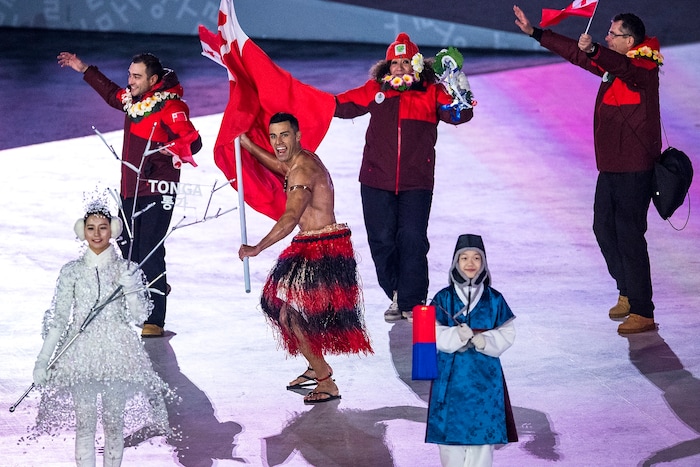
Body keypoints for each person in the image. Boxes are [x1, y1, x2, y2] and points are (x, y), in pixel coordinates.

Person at [513, 6, 661, 334]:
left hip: (635, 166)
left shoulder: (645, 65)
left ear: (630, 40)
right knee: (602, 228)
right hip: (610, 165)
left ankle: (643, 310)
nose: (607, 37)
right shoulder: (612, 65)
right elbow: (576, 55)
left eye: (612, 34)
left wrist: (595, 48)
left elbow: (625, 67)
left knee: (629, 235)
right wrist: (537, 33)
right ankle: (626, 289)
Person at [57, 51, 203, 337]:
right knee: (126, 243)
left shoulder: (171, 107)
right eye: (129, 75)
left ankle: (154, 319)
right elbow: (113, 94)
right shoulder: (136, 102)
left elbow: (193, 143)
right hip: (131, 188)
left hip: (158, 189)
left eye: (136, 77)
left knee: (149, 250)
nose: (130, 82)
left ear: (153, 79)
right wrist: (84, 68)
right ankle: (156, 283)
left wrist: (168, 152)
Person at [334, 33, 474, 322]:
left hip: (416, 181)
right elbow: (339, 105)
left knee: (412, 238)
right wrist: (298, 100)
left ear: (417, 65)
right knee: (382, 240)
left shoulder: (432, 92)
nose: (399, 67)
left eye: (406, 61)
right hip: (375, 180)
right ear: (387, 68)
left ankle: (412, 301)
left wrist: (459, 81)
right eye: (394, 62)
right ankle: (396, 293)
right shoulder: (375, 90)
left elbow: (461, 114)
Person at [238, 112, 373, 404]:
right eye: (273, 136)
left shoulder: (303, 170)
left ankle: (326, 381)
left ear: (298, 135)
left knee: (291, 314)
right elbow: (280, 165)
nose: (278, 142)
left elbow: (289, 219)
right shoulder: (301, 160)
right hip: (314, 244)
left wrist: (257, 248)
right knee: (278, 304)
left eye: (284, 135)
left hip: (323, 250)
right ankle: (314, 365)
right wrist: (249, 147)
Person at [31, 197, 176, 466]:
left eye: (102, 228)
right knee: (84, 425)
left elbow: (140, 317)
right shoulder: (71, 272)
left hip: (118, 354)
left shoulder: (126, 269)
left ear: (113, 230)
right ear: (81, 231)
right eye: (91, 228)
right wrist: (42, 361)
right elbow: (60, 320)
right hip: (80, 355)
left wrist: (132, 289)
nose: (97, 234)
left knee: (113, 425)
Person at [426, 234, 517, 467]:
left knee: (482, 441)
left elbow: (508, 333)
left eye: (477, 258)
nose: (470, 263)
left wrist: (485, 340)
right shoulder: (441, 298)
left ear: (484, 263)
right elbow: (427, 337)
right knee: (449, 441)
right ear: (455, 262)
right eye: (464, 257)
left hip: (485, 381)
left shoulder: (494, 299)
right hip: (449, 380)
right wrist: (455, 336)